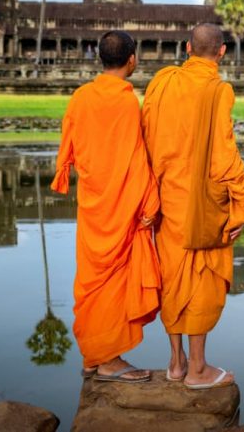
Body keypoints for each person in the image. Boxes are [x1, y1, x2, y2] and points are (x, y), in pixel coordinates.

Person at [141, 23, 244, 390]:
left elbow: (145, 134)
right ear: (222, 52)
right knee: (200, 279)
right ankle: (198, 368)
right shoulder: (218, 89)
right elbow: (223, 155)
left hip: (164, 197)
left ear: (187, 47)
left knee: (172, 278)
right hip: (201, 203)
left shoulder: (162, 81)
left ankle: (175, 363)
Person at [51, 30, 160, 383]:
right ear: (133, 59)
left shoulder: (81, 97)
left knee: (91, 279)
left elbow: (69, 145)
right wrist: (149, 201)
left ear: (100, 58)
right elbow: (135, 157)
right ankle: (108, 359)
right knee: (113, 280)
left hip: (94, 201)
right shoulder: (127, 102)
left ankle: (93, 356)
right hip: (120, 204)